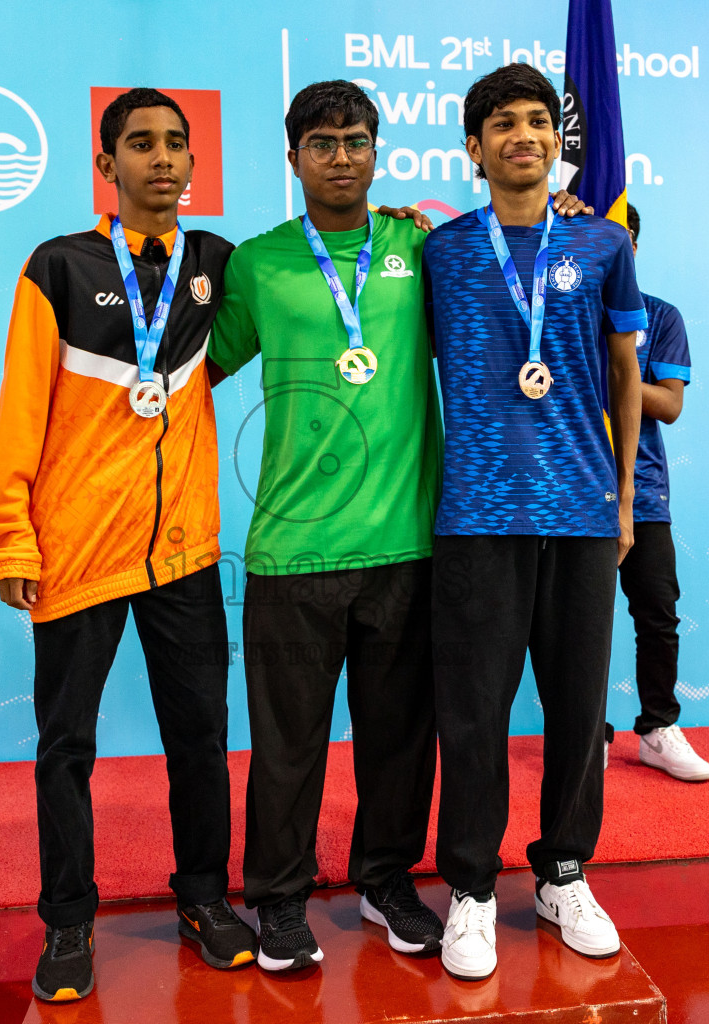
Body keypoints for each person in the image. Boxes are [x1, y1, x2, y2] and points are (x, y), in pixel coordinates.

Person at [0, 87, 256, 1004]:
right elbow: (20, 410)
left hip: (181, 552)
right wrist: (9, 537)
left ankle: (206, 900)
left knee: (199, 739)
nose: (163, 160)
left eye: (177, 144)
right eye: (141, 145)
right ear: (106, 166)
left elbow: (311, 269)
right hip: (78, 549)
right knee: (67, 748)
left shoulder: (217, 262)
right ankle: (67, 921)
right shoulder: (56, 266)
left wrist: (402, 221)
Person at [207, 79, 447, 972]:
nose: (340, 157)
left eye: (355, 141)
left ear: (377, 151)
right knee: (287, 747)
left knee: (398, 739)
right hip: (291, 550)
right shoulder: (259, 264)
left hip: (406, 546)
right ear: (295, 157)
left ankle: (387, 882)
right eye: (322, 142)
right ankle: (278, 900)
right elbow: (200, 370)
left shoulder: (423, 247)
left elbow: (508, 255)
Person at [422, 63, 646, 981]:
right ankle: (471, 888)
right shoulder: (437, 253)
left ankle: (562, 872)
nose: (524, 135)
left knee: (578, 709)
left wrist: (625, 500)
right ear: (472, 149)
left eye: (538, 121)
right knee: (472, 712)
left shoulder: (600, 248)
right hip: (477, 516)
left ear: (558, 141)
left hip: (583, 513)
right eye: (502, 124)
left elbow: (627, 375)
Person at [610, 204, 709, 782]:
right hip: (573, 493)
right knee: (576, 623)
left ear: (633, 249)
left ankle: (657, 727)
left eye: (622, 239)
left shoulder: (660, 316)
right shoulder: (557, 314)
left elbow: (669, 405)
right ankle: (586, 734)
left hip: (643, 494)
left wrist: (615, 367)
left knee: (657, 614)